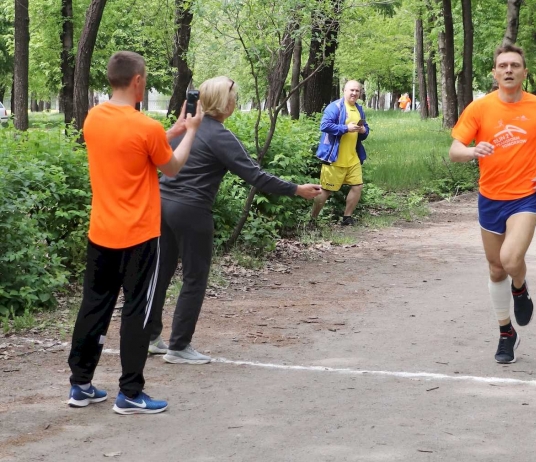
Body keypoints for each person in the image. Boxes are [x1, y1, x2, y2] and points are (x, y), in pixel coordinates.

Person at [147, 76, 322, 364]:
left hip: (161, 204)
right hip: (191, 211)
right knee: (194, 278)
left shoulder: (185, 126)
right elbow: (255, 176)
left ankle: (150, 337)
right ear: (224, 103)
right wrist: (296, 189)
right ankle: (179, 346)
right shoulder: (220, 135)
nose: (235, 102)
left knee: (160, 273)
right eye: (233, 98)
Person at [66, 51, 202, 415]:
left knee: (94, 305)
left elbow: (134, 152)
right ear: (138, 81)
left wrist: (171, 132)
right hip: (139, 235)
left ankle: (80, 384)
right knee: (137, 310)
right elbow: (171, 167)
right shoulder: (145, 127)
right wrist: (190, 131)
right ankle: (130, 392)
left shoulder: (94, 118)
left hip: (102, 231)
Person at [449, 44, 536, 364]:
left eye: (515, 65)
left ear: (524, 72)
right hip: (490, 198)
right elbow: (455, 150)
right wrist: (472, 151)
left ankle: (520, 287)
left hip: (525, 195)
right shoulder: (479, 108)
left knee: (511, 259)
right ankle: (506, 333)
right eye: (503, 65)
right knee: (495, 267)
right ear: (495, 73)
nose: (509, 70)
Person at [310, 80, 370, 226]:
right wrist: (345, 128)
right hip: (334, 157)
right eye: (351, 90)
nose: (354, 93)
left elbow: (365, 131)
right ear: (344, 91)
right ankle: (312, 220)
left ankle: (347, 218)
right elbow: (324, 126)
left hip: (353, 157)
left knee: (357, 186)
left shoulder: (359, 109)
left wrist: (363, 131)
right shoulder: (335, 107)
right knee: (325, 190)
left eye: (357, 91)